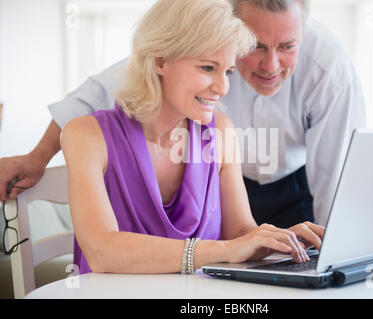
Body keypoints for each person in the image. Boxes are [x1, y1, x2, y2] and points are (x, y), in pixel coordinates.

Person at [0, 0, 366, 227]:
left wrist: (339, 259)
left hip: (293, 186)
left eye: (287, 46)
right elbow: (93, 94)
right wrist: (37, 157)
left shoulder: (328, 70)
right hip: (218, 184)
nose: (271, 65)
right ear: (234, 27)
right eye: (254, 46)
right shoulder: (208, 42)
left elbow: (337, 175)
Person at [59, 0, 324, 274]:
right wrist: (222, 251)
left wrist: (272, 241)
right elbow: (103, 252)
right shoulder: (86, 136)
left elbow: (240, 232)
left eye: (228, 71)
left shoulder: (221, 131)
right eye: (208, 68)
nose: (222, 88)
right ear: (161, 61)